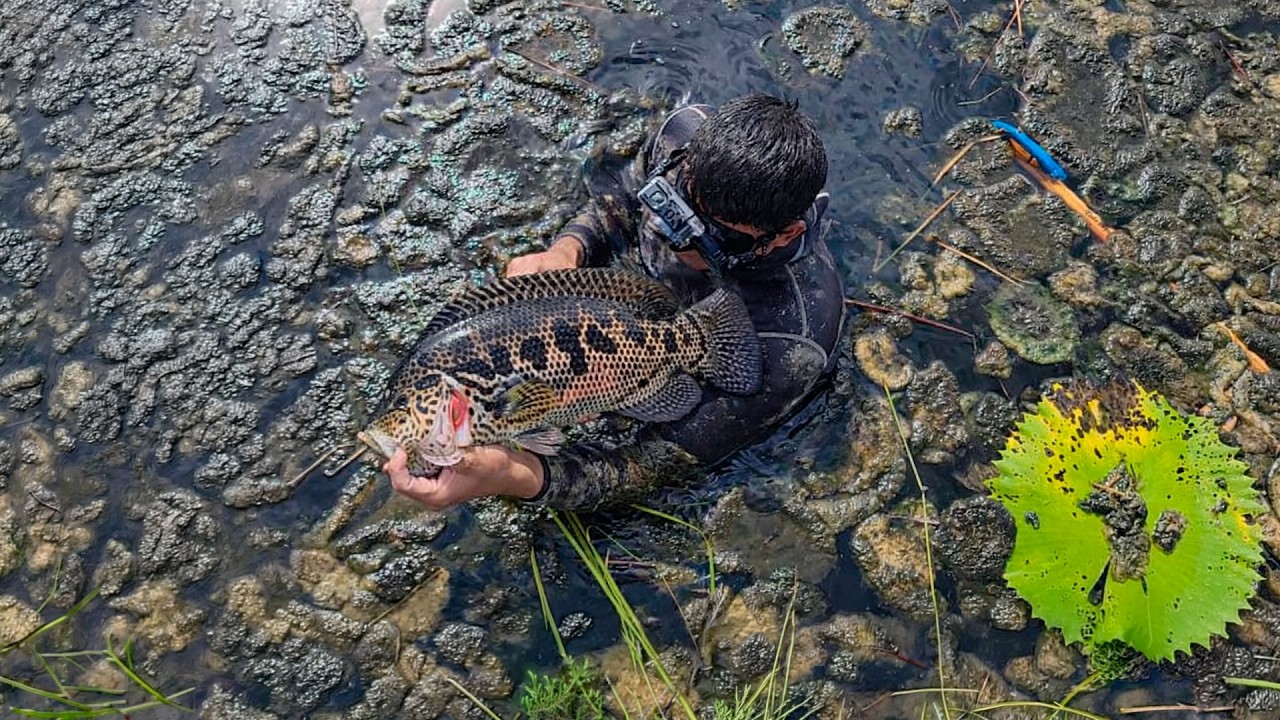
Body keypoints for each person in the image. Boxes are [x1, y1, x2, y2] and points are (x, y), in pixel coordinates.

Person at [382, 92, 845, 511]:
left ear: (785, 235)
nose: (670, 233)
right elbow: (618, 199)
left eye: (711, 237)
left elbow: (655, 466)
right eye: (671, 205)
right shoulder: (684, 135)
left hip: (677, 364)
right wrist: (568, 250)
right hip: (615, 314)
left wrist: (512, 476)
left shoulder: (793, 336)